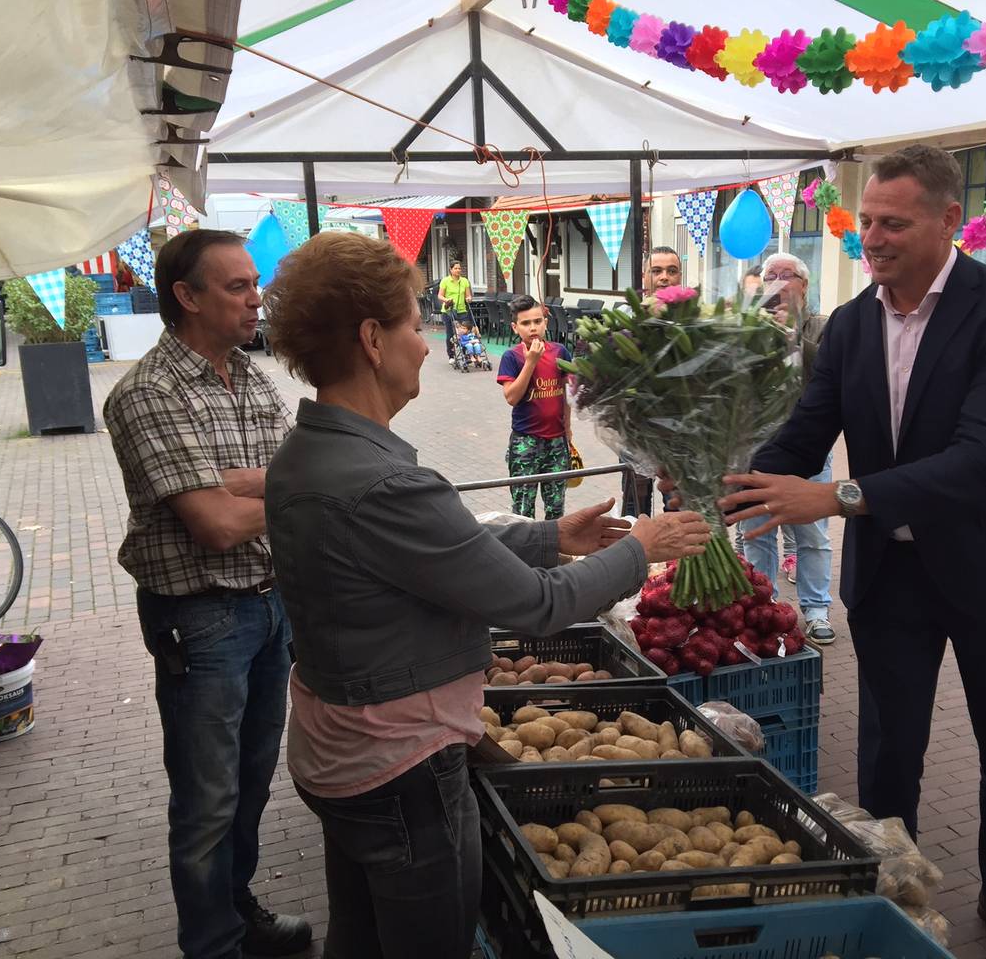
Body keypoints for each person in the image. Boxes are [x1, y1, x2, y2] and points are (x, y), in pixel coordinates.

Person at [260, 231, 712, 959]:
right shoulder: (382, 482)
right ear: (373, 339)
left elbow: (433, 553)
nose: (426, 344)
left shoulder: (311, 454)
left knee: (361, 936)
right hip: (398, 762)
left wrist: (551, 535)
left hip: (338, 749)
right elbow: (536, 607)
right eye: (414, 324)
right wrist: (641, 549)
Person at [713, 146, 986, 959]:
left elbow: (983, 457)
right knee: (887, 755)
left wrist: (838, 497)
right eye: (867, 222)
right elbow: (808, 431)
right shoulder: (848, 323)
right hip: (892, 576)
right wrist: (724, 481)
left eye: (892, 224)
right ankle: (888, 899)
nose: (872, 239)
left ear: (950, 220)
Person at [103, 229, 311, 959]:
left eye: (256, 283)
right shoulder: (147, 394)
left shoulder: (250, 377)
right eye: (237, 286)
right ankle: (212, 945)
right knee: (207, 799)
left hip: (268, 604)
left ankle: (236, 908)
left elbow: (292, 467)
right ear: (187, 297)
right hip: (202, 618)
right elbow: (218, 524)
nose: (258, 298)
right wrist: (285, 489)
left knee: (253, 779)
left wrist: (254, 482)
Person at [736, 252, 836, 645]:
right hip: (758, 448)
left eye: (786, 275)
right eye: (770, 275)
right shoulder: (750, 327)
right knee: (756, 533)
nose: (777, 282)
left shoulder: (824, 327)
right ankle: (764, 606)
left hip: (808, 447)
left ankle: (815, 609)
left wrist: (792, 340)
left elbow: (828, 376)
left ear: (805, 285)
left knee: (812, 534)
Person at [619, 245, 684, 516]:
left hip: (680, 434)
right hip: (636, 432)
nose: (664, 277)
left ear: (680, 276)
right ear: (645, 277)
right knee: (636, 504)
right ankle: (635, 557)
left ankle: (676, 561)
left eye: (672, 271)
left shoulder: (693, 320)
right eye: (656, 271)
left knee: (678, 505)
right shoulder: (628, 318)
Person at [498, 294, 572, 520]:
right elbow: (511, 397)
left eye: (537, 321)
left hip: (557, 442)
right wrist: (531, 361)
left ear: (545, 323)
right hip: (525, 443)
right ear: (515, 327)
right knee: (522, 508)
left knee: (556, 507)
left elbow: (566, 394)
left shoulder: (560, 352)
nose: (533, 328)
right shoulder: (512, 357)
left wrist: (567, 430)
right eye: (526, 323)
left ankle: (556, 553)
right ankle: (524, 554)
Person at [438, 260, 472, 365]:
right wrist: (446, 300)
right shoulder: (445, 281)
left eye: (459, 268)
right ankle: (451, 355)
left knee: (465, 332)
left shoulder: (464, 281)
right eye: (455, 268)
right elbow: (440, 296)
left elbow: (468, 295)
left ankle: (466, 355)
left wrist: (469, 298)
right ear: (451, 270)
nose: (458, 270)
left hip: (462, 310)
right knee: (451, 334)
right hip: (449, 310)